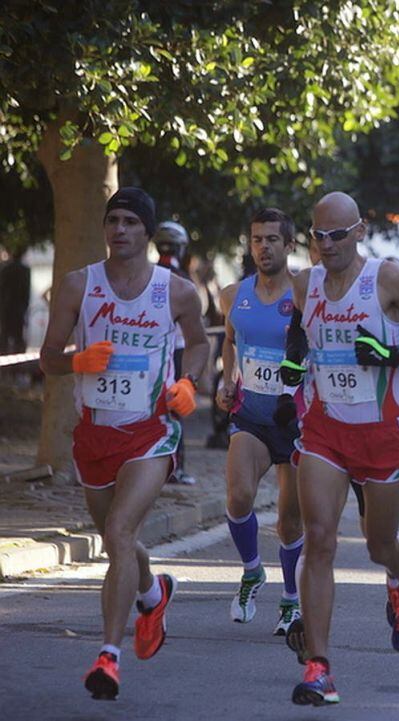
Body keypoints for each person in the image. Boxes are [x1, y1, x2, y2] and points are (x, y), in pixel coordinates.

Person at [280, 192, 399, 705]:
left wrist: (390, 355)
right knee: (319, 539)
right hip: (324, 429)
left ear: (359, 232)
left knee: (381, 546)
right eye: (317, 235)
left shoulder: (387, 278)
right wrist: (293, 363)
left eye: (336, 234)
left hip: (380, 432)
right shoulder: (304, 283)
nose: (326, 244)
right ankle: (319, 667)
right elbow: (297, 336)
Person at [39, 187, 209, 700]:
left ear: (147, 231)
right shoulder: (76, 285)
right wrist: (76, 362)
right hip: (94, 434)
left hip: (151, 432)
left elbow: (199, 344)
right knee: (119, 541)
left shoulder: (175, 291)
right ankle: (153, 594)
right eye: (113, 219)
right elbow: (48, 358)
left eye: (131, 221)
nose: (120, 229)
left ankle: (108, 657)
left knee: (119, 528)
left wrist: (187, 384)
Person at [214, 208, 304, 635]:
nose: (263, 247)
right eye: (256, 239)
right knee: (238, 498)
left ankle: (291, 599)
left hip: (296, 420)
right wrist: (227, 378)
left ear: (290, 245)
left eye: (272, 239)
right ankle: (252, 570)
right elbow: (231, 341)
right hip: (250, 414)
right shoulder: (234, 294)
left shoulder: (305, 294)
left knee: (289, 520)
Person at [152, 221, 199, 485]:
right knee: (177, 408)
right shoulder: (183, 279)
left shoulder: (149, 274)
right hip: (178, 350)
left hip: (155, 351)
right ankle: (175, 466)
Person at [0, 246, 31, 354]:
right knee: (18, 337)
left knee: (4, 337)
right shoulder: (25, 270)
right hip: (19, 308)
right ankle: (18, 366)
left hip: (5, 308)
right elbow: (26, 292)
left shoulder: (4, 269)